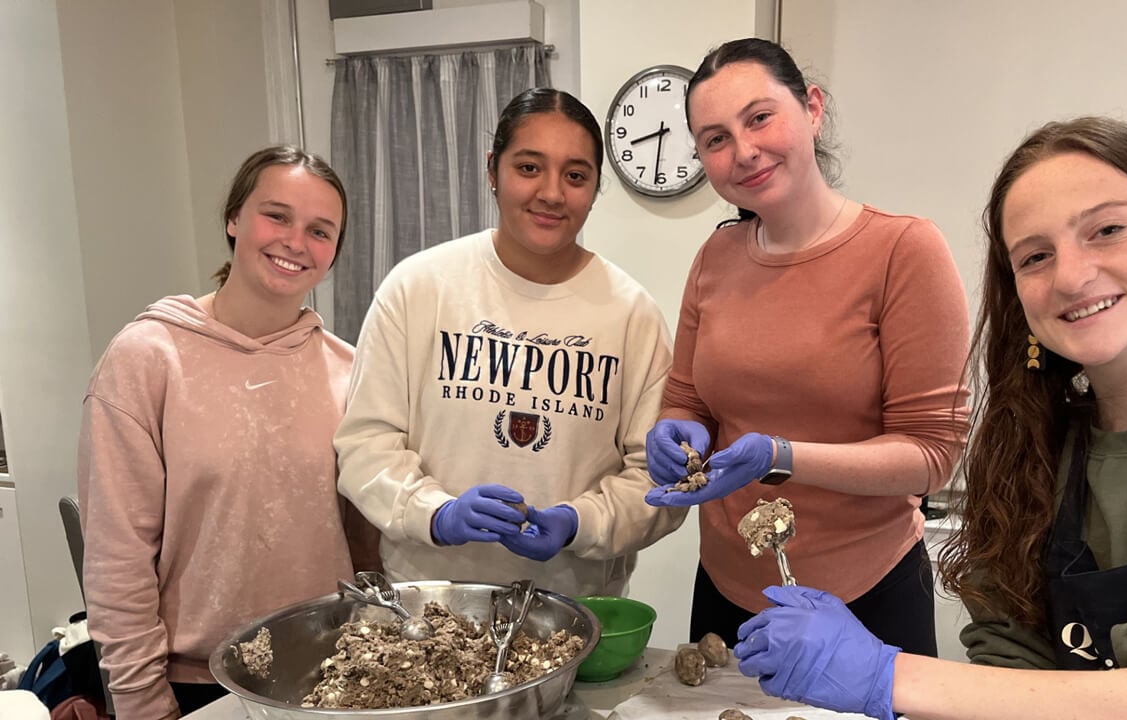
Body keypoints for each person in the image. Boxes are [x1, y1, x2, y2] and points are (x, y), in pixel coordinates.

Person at [733, 117, 1127, 720]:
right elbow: (1009, 670)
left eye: (1107, 230)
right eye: (1036, 256)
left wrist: (886, 674)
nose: (1071, 277)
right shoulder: (1030, 452)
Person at [642, 37, 971, 656]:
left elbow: (931, 453)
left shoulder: (903, 251)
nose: (744, 151)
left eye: (760, 117)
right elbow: (687, 399)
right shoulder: (715, 257)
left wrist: (780, 455)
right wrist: (675, 431)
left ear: (812, 109)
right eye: (715, 139)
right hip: (726, 587)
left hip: (864, 594)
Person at [334, 88, 686, 598]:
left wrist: (579, 522)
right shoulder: (418, 287)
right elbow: (366, 444)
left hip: (573, 609)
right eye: (528, 167)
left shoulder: (632, 315)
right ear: (492, 170)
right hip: (428, 607)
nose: (551, 193)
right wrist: (435, 514)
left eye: (576, 175)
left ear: (594, 188)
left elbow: (656, 483)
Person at [78, 146, 375, 719]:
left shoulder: (349, 371)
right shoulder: (147, 359)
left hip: (332, 677)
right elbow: (117, 558)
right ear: (234, 219)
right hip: (192, 684)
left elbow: (365, 545)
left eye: (320, 230)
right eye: (277, 215)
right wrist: (142, 702)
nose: (295, 241)